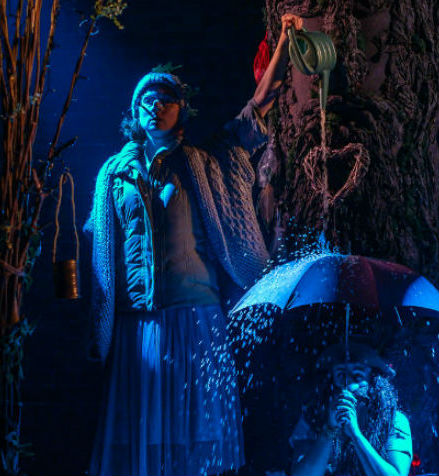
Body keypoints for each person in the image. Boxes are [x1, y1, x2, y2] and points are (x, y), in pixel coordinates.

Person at [84, 14, 304, 476]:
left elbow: (256, 108)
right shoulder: (113, 175)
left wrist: (285, 37)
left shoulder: (204, 164)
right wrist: (99, 330)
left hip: (196, 320)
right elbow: (104, 260)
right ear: (134, 110)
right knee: (141, 442)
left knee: (194, 438)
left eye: (166, 98)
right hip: (138, 328)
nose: (154, 105)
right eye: (146, 98)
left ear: (181, 110)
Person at [290, 341, 413, 476]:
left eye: (357, 375)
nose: (348, 384)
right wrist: (329, 430)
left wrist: (355, 435)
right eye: (341, 375)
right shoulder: (312, 418)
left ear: (373, 383)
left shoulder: (394, 420)